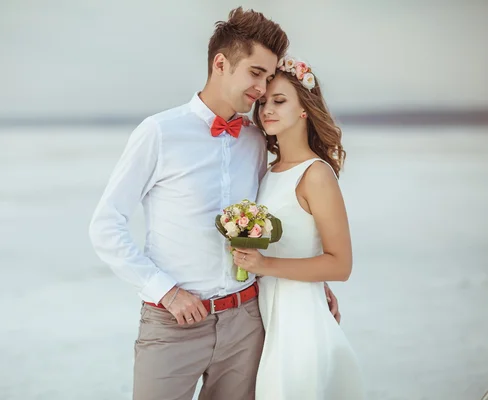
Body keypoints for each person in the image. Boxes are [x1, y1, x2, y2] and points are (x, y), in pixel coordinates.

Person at [89, 8, 340, 400]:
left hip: (247, 322)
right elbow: (106, 224)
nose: (261, 89)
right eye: (255, 73)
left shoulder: (257, 141)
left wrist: (311, 283)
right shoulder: (159, 132)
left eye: (268, 77)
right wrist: (166, 292)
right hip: (173, 323)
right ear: (221, 63)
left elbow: (272, 223)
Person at [233, 55, 365, 399]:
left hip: (300, 322)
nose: (267, 110)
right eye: (262, 103)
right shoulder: (268, 169)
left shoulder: (316, 174)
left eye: (279, 101)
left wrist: (264, 266)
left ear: (304, 109)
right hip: (266, 318)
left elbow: (341, 264)